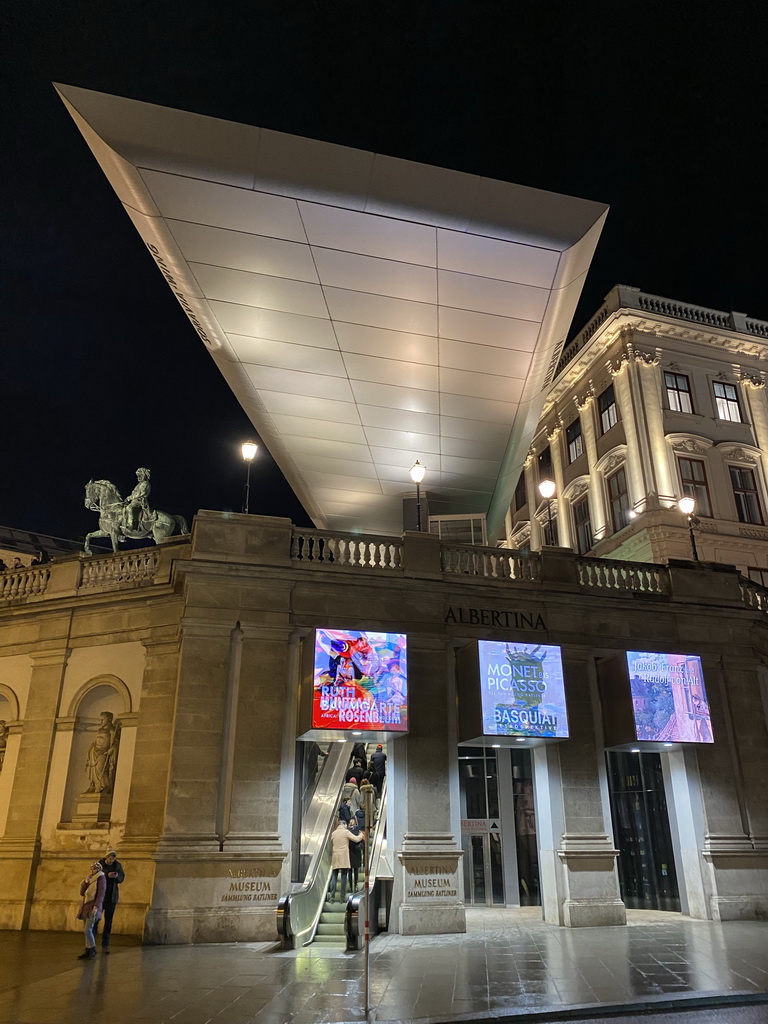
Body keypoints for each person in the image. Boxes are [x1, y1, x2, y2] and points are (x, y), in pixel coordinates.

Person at [95, 849, 124, 953]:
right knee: (95, 920)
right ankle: (92, 944)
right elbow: (96, 875)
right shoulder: (100, 864)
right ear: (106, 857)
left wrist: (116, 877)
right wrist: (107, 875)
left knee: (108, 921)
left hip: (111, 897)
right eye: (111, 857)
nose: (112, 859)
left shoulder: (117, 865)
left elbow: (121, 877)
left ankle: (105, 944)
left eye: (114, 857)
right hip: (100, 897)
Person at [328, 818, 364, 903]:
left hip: (335, 856)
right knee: (344, 876)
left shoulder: (333, 833)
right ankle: (342, 897)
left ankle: (332, 897)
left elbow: (331, 844)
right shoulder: (346, 832)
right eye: (346, 825)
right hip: (343, 856)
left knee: (334, 876)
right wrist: (361, 835)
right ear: (343, 824)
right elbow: (356, 839)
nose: (346, 826)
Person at [77, 860, 106, 960]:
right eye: (92, 868)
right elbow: (82, 892)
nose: (93, 870)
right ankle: (88, 949)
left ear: (99, 869)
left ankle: (92, 949)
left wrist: (96, 906)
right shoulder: (90, 879)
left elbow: (101, 893)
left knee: (88, 929)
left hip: (93, 906)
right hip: (86, 905)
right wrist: (85, 882)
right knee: (86, 929)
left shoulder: (101, 878)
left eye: (95, 868)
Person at [348, 821, 364, 892]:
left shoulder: (347, 833)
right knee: (356, 870)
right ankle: (355, 884)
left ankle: (351, 886)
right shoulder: (358, 833)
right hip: (357, 854)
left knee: (350, 870)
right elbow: (362, 843)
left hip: (349, 853)